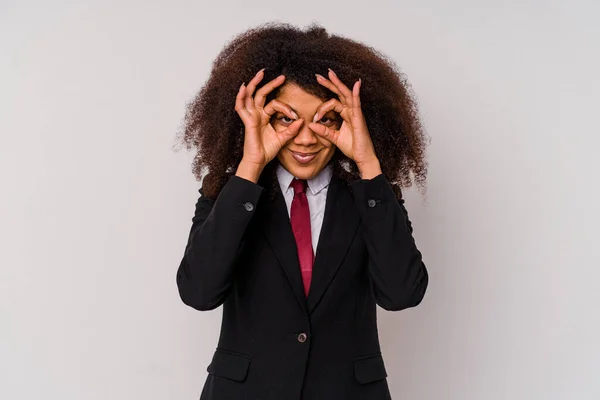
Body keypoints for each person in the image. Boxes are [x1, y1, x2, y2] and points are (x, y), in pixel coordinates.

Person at [176, 22, 429, 400]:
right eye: (286, 119)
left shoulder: (373, 195)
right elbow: (198, 291)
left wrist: (368, 163)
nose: (307, 137)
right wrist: (249, 166)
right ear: (260, 117)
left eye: (325, 119)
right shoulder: (230, 192)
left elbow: (402, 293)